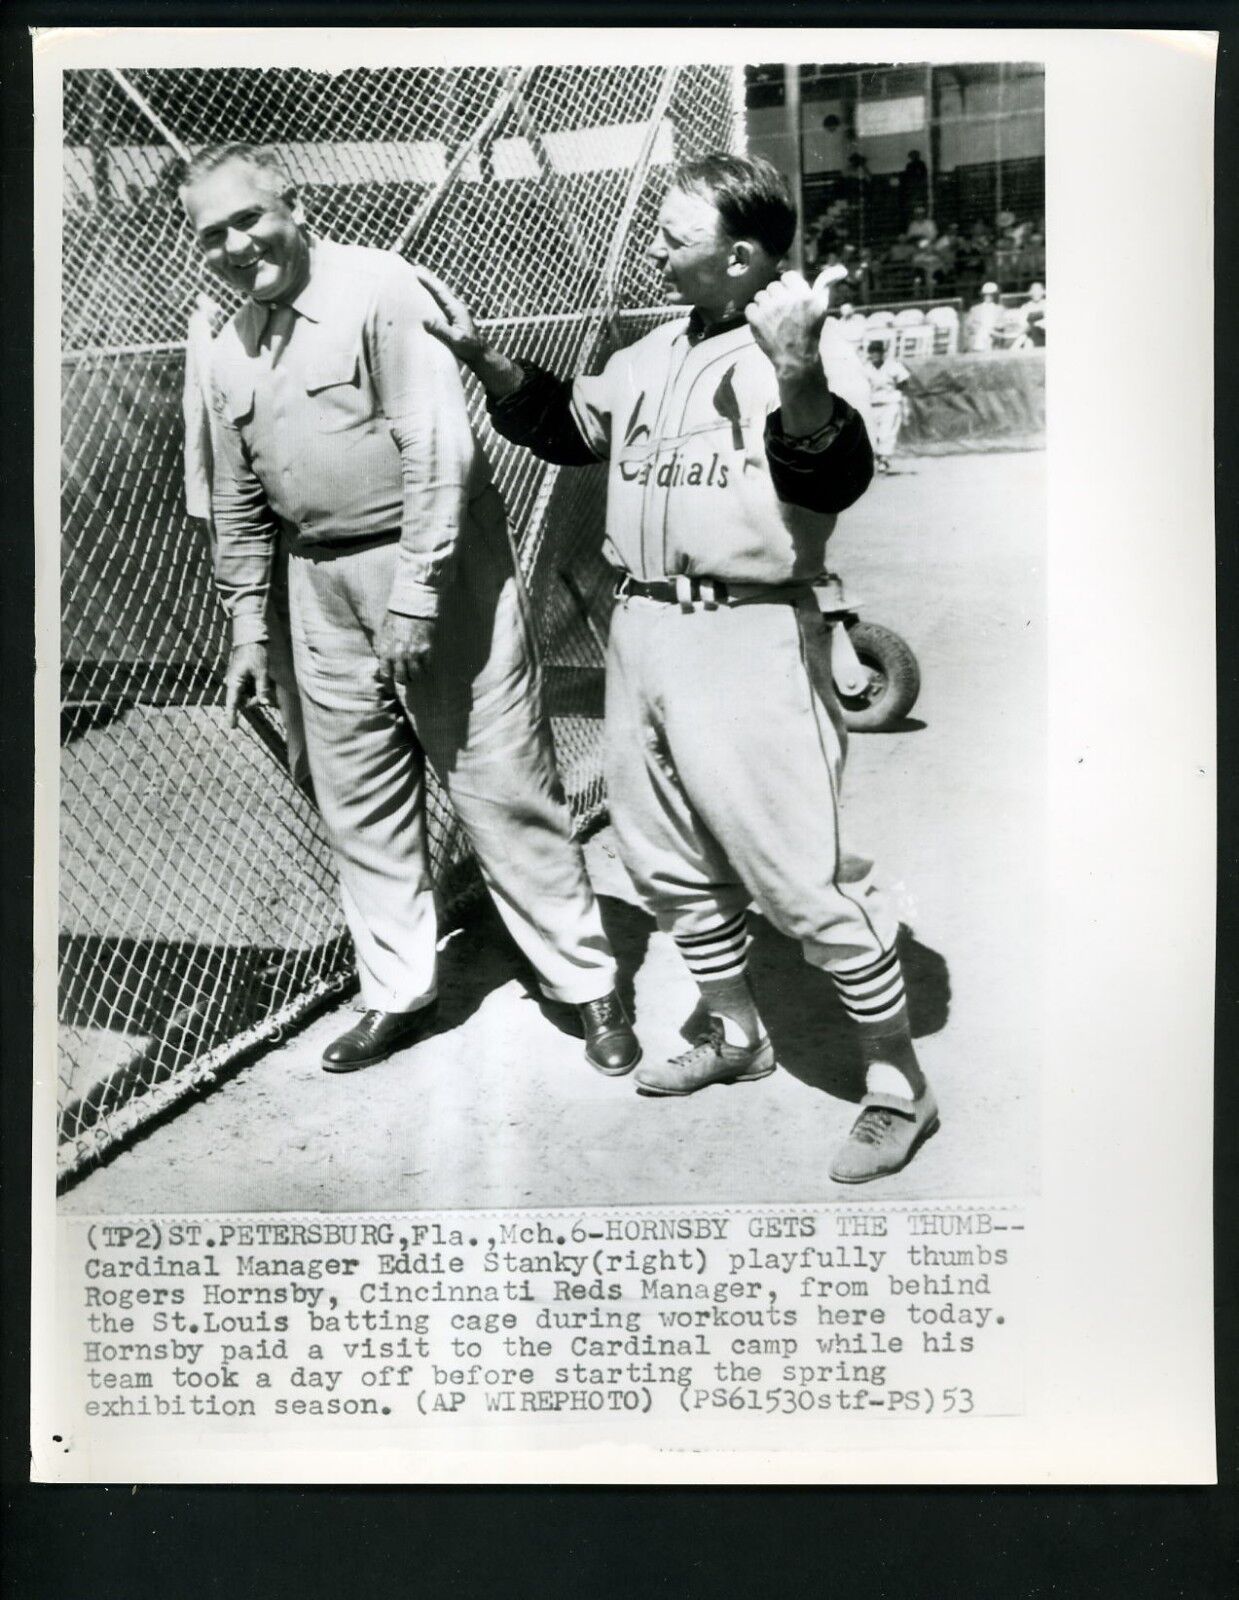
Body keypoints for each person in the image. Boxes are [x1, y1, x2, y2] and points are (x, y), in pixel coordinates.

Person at [418, 153, 940, 1184]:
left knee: (797, 877)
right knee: (662, 863)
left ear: (740, 255)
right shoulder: (654, 350)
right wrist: (488, 362)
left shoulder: (789, 350)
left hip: (745, 632)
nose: (655, 245)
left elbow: (834, 473)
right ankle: (738, 1034)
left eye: (673, 232)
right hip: (644, 629)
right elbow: (572, 427)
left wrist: (797, 368)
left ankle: (897, 1086)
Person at [179, 143, 639, 1077]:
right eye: (211, 234)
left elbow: (440, 452)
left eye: (249, 219)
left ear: (293, 205)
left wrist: (417, 598)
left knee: (499, 780)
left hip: (434, 563)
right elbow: (234, 494)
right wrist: (245, 624)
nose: (235, 245)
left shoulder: (382, 290)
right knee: (359, 802)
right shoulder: (222, 340)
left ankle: (586, 982)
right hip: (317, 582)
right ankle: (397, 991)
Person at [863, 340, 912, 473]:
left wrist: (900, 396)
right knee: (873, 435)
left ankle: (884, 460)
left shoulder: (892, 366)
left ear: (882, 353)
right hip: (872, 405)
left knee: (886, 433)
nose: (875, 354)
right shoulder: (865, 368)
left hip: (890, 403)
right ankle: (879, 458)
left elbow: (904, 381)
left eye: (877, 351)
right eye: (872, 352)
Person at [965, 281, 1003, 351]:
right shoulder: (975, 309)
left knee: (988, 335)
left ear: (995, 295)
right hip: (978, 336)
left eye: (991, 294)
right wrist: (980, 328)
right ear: (982, 295)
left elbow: (1002, 324)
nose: (988, 296)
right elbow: (969, 324)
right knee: (982, 334)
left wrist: (992, 328)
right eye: (986, 294)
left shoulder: (1000, 309)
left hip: (993, 335)